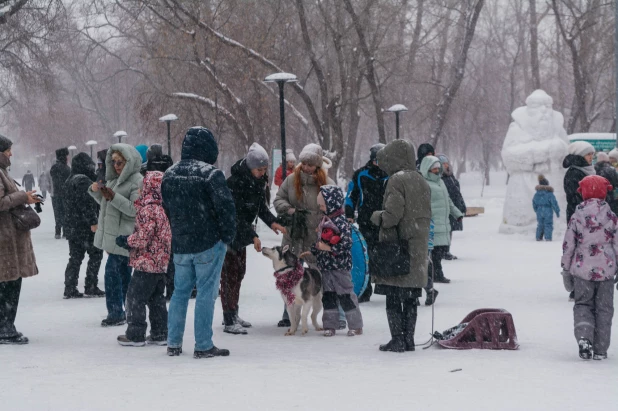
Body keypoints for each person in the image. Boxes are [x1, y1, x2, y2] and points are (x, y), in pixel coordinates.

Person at [161, 126, 236, 359]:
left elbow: (168, 208)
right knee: (206, 293)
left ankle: (173, 342)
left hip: (181, 244)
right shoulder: (212, 175)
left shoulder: (169, 174)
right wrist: (227, 236)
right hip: (208, 242)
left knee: (179, 293)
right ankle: (203, 344)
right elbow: (226, 209)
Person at [370, 140, 431, 353]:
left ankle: (397, 339)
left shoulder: (396, 180)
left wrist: (376, 216)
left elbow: (392, 216)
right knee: (411, 297)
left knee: (393, 296)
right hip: (417, 247)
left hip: (398, 248)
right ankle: (409, 339)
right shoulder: (421, 180)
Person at [222, 143, 286, 334]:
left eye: (265, 169)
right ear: (250, 168)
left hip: (242, 233)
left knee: (239, 273)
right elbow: (235, 215)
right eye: (259, 169)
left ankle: (234, 313)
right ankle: (228, 318)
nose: (263, 172)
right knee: (229, 276)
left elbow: (260, 208)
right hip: (231, 233)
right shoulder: (234, 182)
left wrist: (273, 222)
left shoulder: (258, 181)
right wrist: (253, 235)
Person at [274, 143, 334, 328]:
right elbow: (278, 199)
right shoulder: (292, 180)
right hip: (294, 235)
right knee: (290, 275)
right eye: (304, 164)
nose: (307, 167)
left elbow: (336, 206)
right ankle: (289, 314)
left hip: (316, 238)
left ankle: (329, 314)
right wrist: (290, 210)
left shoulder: (327, 183)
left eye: (311, 164)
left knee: (322, 275)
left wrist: (325, 222)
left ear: (317, 165)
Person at [561, 175, 616, 360]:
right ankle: (600, 349)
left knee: (583, 304)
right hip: (606, 272)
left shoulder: (577, 217)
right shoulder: (612, 217)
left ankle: (584, 338)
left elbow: (568, 245)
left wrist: (566, 269)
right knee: (604, 309)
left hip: (582, 270)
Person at [89, 144, 143, 327]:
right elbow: (108, 204)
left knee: (112, 274)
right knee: (124, 276)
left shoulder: (137, 181)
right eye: (114, 162)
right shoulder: (113, 180)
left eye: (120, 162)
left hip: (125, 238)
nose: (117, 165)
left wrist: (113, 197)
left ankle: (117, 312)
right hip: (114, 237)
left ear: (129, 162)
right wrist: (97, 192)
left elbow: (135, 210)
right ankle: (130, 311)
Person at [115, 171, 171, 347]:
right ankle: (160, 332)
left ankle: (135, 333)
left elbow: (144, 237)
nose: (139, 191)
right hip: (159, 263)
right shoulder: (161, 209)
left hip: (146, 262)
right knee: (156, 299)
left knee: (134, 297)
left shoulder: (148, 210)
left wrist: (126, 240)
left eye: (142, 187)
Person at [500, 90, 569, 230]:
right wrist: (540, 153)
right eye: (538, 106)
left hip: (554, 180)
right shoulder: (516, 129)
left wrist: (559, 150)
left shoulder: (558, 129)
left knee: (556, 217)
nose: (543, 111)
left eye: (547, 106)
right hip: (523, 184)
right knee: (524, 216)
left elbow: (566, 153)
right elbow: (508, 156)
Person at [302, 185, 363, 336]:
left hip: (340, 266)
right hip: (325, 266)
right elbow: (320, 241)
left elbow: (346, 244)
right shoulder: (325, 221)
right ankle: (330, 324)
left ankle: (356, 325)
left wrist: (329, 249)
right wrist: (314, 250)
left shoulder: (341, 223)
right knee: (328, 296)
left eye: (323, 205)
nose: (321, 208)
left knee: (345, 294)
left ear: (332, 204)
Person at [0, 134, 41, 344]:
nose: (11, 154)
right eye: (7, 150)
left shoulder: (3, 172)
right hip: (5, 241)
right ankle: (5, 329)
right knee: (8, 285)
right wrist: (22, 197)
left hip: (8, 239)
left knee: (9, 283)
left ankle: (6, 327)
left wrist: (25, 197)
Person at [345, 143, 388, 303]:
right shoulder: (360, 174)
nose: (381, 164)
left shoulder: (392, 174)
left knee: (388, 254)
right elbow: (351, 196)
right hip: (366, 221)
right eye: (378, 160)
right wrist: (349, 214)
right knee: (366, 257)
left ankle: (388, 287)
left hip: (388, 221)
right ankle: (365, 289)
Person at [62, 153, 105, 299]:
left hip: (72, 225)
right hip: (84, 227)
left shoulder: (70, 180)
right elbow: (87, 204)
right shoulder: (83, 181)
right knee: (96, 254)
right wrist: (93, 222)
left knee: (75, 257)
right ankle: (90, 285)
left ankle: (70, 287)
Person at [420, 156, 464, 284]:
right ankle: (432, 275)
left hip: (443, 223)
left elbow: (448, 201)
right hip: (432, 224)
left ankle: (436, 274)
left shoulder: (441, 182)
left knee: (438, 252)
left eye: (438, 168)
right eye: (434, 169)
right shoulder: (424, 184)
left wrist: (457, 214)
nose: (437, 171)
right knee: (432, 254)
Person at [142, 144, 175, 299]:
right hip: (169, 213)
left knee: (154, 252)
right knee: (170, 253)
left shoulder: (146, 170)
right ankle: (171, 288)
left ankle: (156, 289)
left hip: (153, 211)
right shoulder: (170, 168)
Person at [437, 154, 466, 260]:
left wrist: (462, 205)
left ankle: (446, 250)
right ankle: (443, 251)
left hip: (453, 207)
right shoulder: (441, 178)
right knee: (445, 231)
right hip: (446, 208)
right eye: (443, 163)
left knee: (450, 230)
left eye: (446, 163)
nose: (446, 165)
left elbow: (457, 192)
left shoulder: (450, 176)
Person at [563, 141, 595, 224]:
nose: (591, 157)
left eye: (592, 154)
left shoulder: (587, 170)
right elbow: (575, 197)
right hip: (578, 215)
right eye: (588, 154)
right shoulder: (574, 173)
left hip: (588, 213)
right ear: (580, 155)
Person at [50, 147, 71, 239]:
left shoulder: (54, 167)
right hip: (65, 194)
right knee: (66, 213)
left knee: (57, 213)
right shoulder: (67, 168)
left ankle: (57, 231)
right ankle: (66, 232)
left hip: (56, 194)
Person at [532, 175, 560, 241]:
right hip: (548, 210)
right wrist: (557, 211)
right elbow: (554, 203)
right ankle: (548, 238)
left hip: (539, 210)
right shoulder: (550, 194)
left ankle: (538, 237)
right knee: (548, 224)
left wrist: (536, 209)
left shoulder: (536, 194)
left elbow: (534, 202)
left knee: (540, 225)